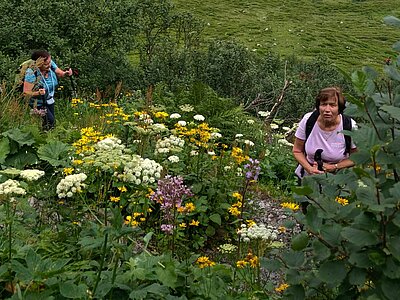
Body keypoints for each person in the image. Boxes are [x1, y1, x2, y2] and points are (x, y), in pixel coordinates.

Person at [293, 86, 357, 180]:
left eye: (332, 105)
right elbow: (297, 150)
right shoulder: (308, 120)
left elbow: (356, 157)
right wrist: (309, 168)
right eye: (323, 104)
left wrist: (334, 166)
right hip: (308, 178)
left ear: (339, 108)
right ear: (318, 106)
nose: (327, 109)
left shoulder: (349, 126)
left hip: (338, 180)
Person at [23, 50, 72, 130]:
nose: (49, 65)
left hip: (49, 99)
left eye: (50, 62)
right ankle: (45, 139)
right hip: (38, 103)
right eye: (46, 64)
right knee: (50, 121)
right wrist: (38, 93)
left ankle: (46, 138)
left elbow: (60, 73)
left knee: (49, 123)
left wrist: (65, 73)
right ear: (38, 63)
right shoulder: (31, 73)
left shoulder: (50, 64)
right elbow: (25, 93)